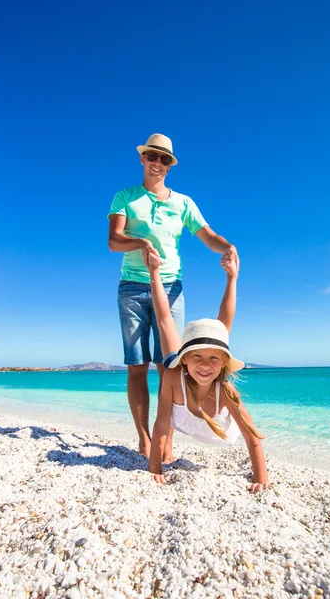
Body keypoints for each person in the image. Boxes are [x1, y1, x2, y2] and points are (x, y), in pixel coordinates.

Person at [108, 133, 238, 459]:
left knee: (171, 366)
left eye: (165, 159)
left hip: (171, 288)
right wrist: (140, 244)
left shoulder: (183, 203)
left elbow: (208, 235)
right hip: (133, 289)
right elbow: (114, 240)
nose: (158, 163)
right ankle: (144, 437)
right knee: (137, 366)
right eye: (153, 156)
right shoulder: (125, 197)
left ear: (170, 165)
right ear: (143, 159)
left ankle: (165, 437)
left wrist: (228, 248)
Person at [146, 251, 269, 493]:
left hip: (220, 428)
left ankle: (231, 282)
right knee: (165, 322)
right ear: (186, 358)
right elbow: (161, 425)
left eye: (214, 359)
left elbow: (252, 437)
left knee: (219, 332)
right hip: (181, 373)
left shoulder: (225, 391)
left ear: (224, 363)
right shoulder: (173, 375)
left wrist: (261, 478)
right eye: (197, 357)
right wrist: (155, 469)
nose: (205, 365)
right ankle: (154, 275)